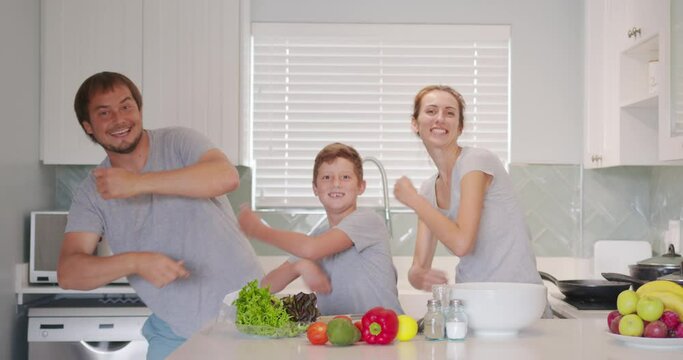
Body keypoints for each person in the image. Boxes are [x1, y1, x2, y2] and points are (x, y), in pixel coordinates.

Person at [57, 71, 264, 359]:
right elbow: (69, 273)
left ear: (139, 109)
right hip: (174, 330)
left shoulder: (179, 142)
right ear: (88, 126)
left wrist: (138, 183)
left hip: (249, 317)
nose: (119, 119)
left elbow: (225, 177)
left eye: (126, 106)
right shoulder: (92, 192)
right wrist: (135, 261)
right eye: (104, 113)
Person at [393, 85, 551, 317]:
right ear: (415, 123)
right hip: (473, 303)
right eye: (431, 111)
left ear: (460, 126)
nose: (440, 118)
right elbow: (419, 267)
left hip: (517, 302)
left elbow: (462, 243)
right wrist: (416, 276)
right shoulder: (428, 189)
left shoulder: (476, 162)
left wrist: (414, 201)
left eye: (449, 113)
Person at [238, 143, 403, 316]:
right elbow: (269, 284)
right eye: (326, 178)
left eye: (345, 177)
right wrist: (298, 266)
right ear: (315, 188)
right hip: (343, 337)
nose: (336, 184)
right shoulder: (320, 236)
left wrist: (260, 230)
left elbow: (311, 249)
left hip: (386, 336)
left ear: (361, 186)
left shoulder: (367, 221)